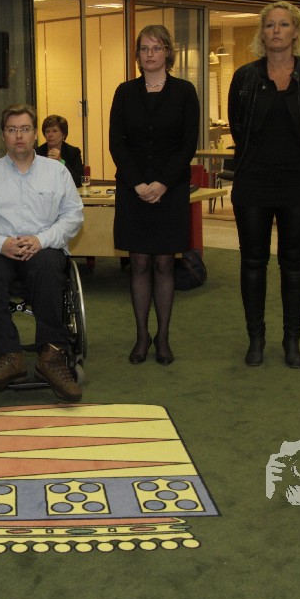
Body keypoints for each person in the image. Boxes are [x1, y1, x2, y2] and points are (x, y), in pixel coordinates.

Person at [228, 1, 300, 369]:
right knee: (252, 263)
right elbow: (238, 127)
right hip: (253, 183)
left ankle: (292, 340)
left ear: (296, 32)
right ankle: (256, 338)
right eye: (270, 25)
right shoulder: (244, 77)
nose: (276, 30)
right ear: (262, 33)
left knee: (294, 264)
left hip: (297, 184)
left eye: (284, 24)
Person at [0, 104, 84, 402]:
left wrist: (41, 240)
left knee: (49, 265)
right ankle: (9, 356)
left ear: (34, 134)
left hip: (42, 248)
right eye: (12, 129)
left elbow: (73, 216)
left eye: (25, 129)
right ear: (3, 135)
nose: (19, 136)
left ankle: (52, 357)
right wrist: (0, 242)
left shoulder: (57, 173)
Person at [109, 24, 199, 366]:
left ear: (167, 53)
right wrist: (137, 183)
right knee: (139, 263)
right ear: (137, 55)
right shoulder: (124, 92)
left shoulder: (185, 92)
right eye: (144, 48)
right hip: (133, 189)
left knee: (163, 263)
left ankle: (162, 337)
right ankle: (141, 336)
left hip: (170, 190)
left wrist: (162, 183)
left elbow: (187, 145)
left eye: (156, 48)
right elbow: (117, 143)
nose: (150, 54)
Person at [36, 114, 84, 190]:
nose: (50, 135)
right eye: (47, 131)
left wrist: (61, 161)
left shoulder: (73, 152)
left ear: (63, 134)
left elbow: (79, 181)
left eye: (54, 131)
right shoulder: (37, 153)